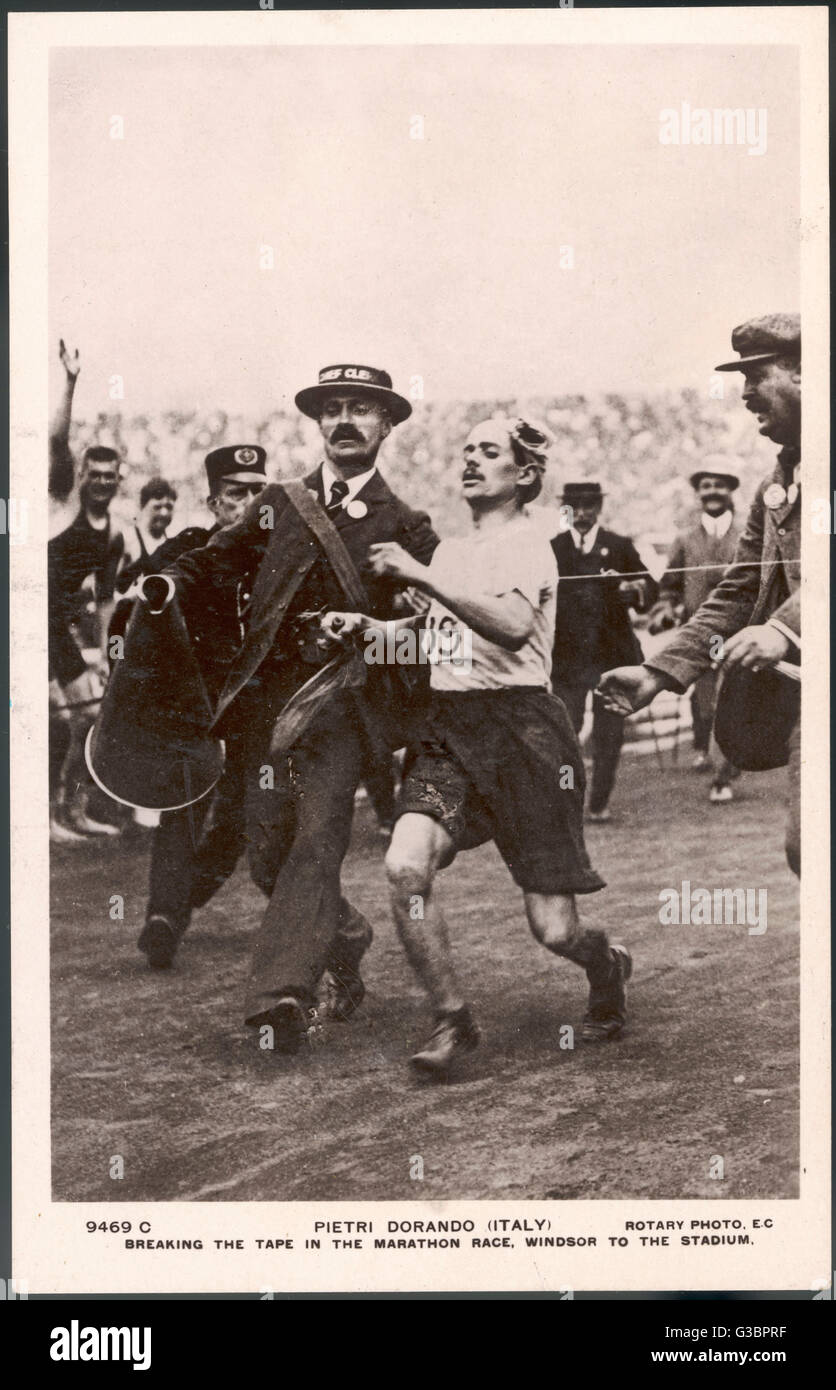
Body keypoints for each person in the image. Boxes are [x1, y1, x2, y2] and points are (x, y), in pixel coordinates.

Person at [321, 417, 631, 1075]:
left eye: (488, 453)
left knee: (554, 930)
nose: (470, 461)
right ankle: (452, 1020)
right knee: (406, 865)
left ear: (523, 476)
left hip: (524, 734)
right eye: (466, 452)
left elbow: (514, 628)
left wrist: (422, 578)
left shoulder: (530, 543)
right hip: (450, 731)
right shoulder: (454, 552)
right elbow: (437, 641)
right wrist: (366, 630)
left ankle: (605, 964)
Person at [157, 365, 439, 1049]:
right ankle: (348, 935)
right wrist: (163, 581)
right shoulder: (280, 503)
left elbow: (429, 638)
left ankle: (281, 995)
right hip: (265, 714)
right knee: (266, 855)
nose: (344, 421)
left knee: (316, 842)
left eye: (362, 409)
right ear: (317, 423)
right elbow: (213, 559)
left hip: (340, 715)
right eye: (332, 409)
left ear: (388, 425)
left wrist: (372, 634)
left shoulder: (409, 527)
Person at [599, 313, 801, 875]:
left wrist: (783, 629)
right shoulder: (777, 485)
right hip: (798, 693)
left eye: (756, 376)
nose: (746, 395)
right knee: (808, 848)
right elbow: (739, 588)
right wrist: (658, 672)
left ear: (806, 372)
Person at [137, 446, 267, 966]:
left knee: (236, 825)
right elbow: (142, 606)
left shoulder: (283, 555)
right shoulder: (187, 548)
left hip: (258, 710)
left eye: (260, 490)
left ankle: (182, 900)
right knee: (182, 806)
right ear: (214, 501)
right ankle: (163, 916)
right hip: (197, 707)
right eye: (238, 493)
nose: (252, 502)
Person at [48, 379, 125, 839]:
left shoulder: (113, 534)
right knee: (48, 720)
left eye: (108, 475)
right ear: (81, 477)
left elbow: (106, 599)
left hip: (56, 627)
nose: (100, 481)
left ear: (118, 478)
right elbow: (57, 439)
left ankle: (71, 811)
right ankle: (37, 815)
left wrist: (111, 654)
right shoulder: (63, 502)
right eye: (93, 473)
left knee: (90, 717)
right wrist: (71, 382)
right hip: (23, 618)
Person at [550, 482, 654, 823]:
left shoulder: (619, 546)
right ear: (565, 510)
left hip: (613, 657)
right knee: (565, 733)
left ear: (599, 508)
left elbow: (650, 590)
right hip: (568, 659)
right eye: (574, 506)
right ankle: (567, 798)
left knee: (609, 734)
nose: (581, 513)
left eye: (588, 505)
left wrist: (634, 590)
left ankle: (598, 804)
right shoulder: (554, 549)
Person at [648, 459, 743, 801]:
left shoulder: (748, 534)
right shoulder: (685, 540)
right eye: (706, 486)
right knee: (706, 704)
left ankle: (722, 777)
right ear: (699, 494)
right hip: (700, 633)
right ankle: (716, 761)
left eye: (720, 485)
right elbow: (669, 587)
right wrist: (665, 609)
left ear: (731, 490)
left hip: (740, 633)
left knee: (731, 701)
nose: (713, 492)